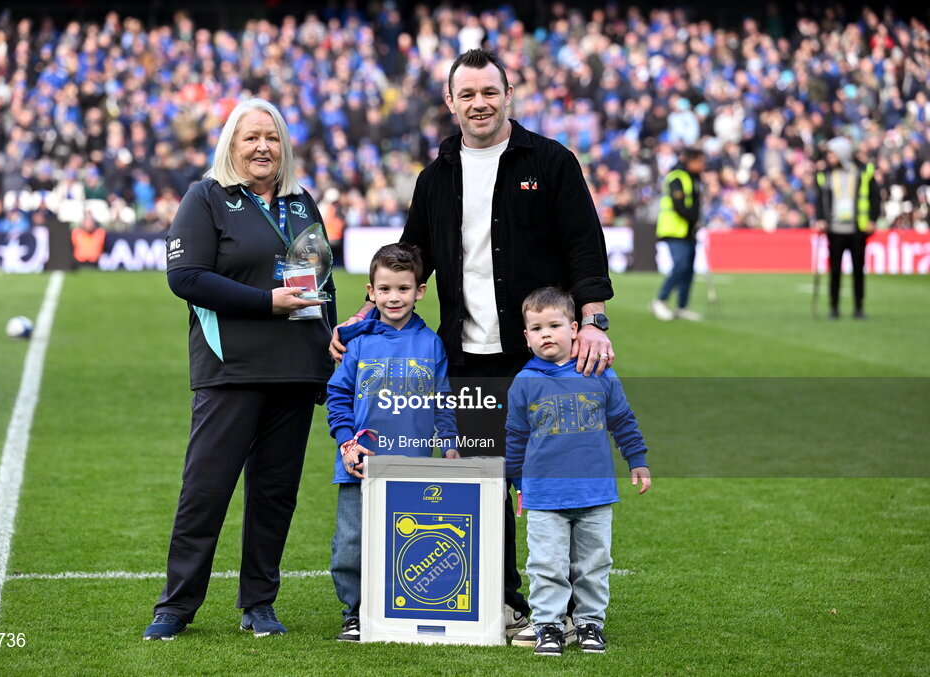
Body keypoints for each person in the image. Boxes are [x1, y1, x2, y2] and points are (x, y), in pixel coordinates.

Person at [329, 49, 615, 640]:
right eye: (468, 95)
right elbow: (411, 257)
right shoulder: (436, 176)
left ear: (508, 95)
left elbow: (585, 245)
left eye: (490, 92)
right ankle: (506, 602)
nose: (479, 104)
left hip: (542, 359)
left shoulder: (552, 162)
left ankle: (557, 610)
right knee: (487, 480)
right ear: (451, 103)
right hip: (466, 360)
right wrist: (364, 311)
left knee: (545, 483)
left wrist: (593, 322)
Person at [144, 99, 336, 641]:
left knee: (275, 495)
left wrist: (331, 349)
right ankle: (176, 606)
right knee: (205, 490)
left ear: (284, 148)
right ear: (231, 143)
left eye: (272, 138)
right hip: (230, 368)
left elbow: (322, 287)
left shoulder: (302, 203)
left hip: (296, 370)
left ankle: (259, 602)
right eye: (251, 137)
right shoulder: (206, 197)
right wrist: (265, 302)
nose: (262, 148)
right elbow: (186, 277)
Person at [505, 287, 651, 656]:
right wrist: (518, 483)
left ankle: (589, 624)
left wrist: (637, 459)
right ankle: (548, 626)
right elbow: (516, 436)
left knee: (593, 565)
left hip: (594, 493)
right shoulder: (523, 382)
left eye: (554, 325)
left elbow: (622, 419)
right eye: (537, 328)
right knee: (545, 565)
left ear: (574, 328)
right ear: (526, 337)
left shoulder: (599, 372)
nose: (546, 334)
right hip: (544, 497)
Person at [325, 243, 459, 642]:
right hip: (360, 464)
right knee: (351, 545)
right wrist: (347, 442)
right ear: (371, 291)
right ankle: (354, 611)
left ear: (420, 291)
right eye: (384, 289)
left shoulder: (431, 343)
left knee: (410, 541)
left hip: (414, 465)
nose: (393, 297)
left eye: (402, 288)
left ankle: (402, 606)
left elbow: (443, 399)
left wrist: (449, 442)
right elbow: (337, 397)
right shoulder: (358, 342)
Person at [814, 137, 880, 319]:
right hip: (834, 230)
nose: (829, 156)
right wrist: (820, 219)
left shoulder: (863, 171)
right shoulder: (825, 174)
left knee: (858, 270)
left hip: (857, 229)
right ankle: (834, 308)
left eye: (832, 153)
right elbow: (820, 199)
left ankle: (859, 308)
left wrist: (873, 219)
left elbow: (875, 197)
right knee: (835, 270)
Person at [650, 148, 706, 322]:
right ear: (691, 160)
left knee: (688, 269)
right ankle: (660, 300)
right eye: (700, 161)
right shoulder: (676, 176)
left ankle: (682, 306)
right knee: (681, 266)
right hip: (675, 229)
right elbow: (679, 205)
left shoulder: (694, 178)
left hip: (688, 230)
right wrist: (694, 219)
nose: (702, 165)